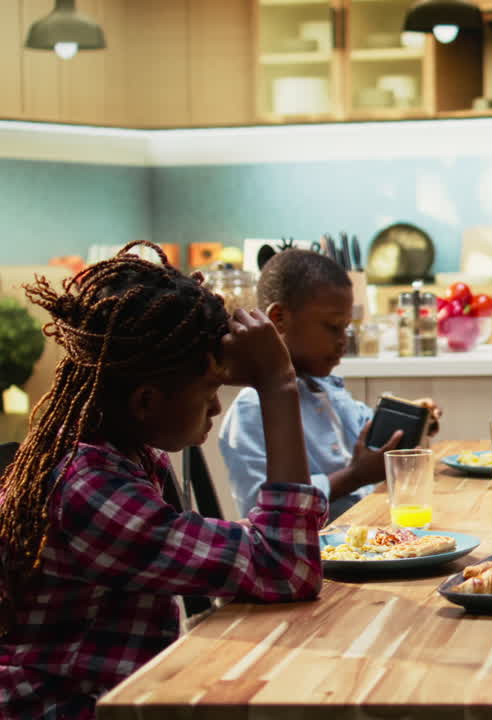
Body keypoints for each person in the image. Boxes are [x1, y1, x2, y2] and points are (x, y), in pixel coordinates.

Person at [0, 243, 326, 719]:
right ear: (146, 401)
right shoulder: (87, 490)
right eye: (211, 388)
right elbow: (287, 568)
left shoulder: (121, 456)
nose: (217, 405)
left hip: (119, 695)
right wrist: (278, 385)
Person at [219, 249, 441, 519]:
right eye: (332, 326)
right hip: (315, 553)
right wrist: (354, 477)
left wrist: (407, 423)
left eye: (346, 328)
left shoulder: (325, 389)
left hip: (363, 532)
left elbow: (366, 433)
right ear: (279, 319)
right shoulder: (252, 408)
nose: (342, 341)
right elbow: (263, 509)